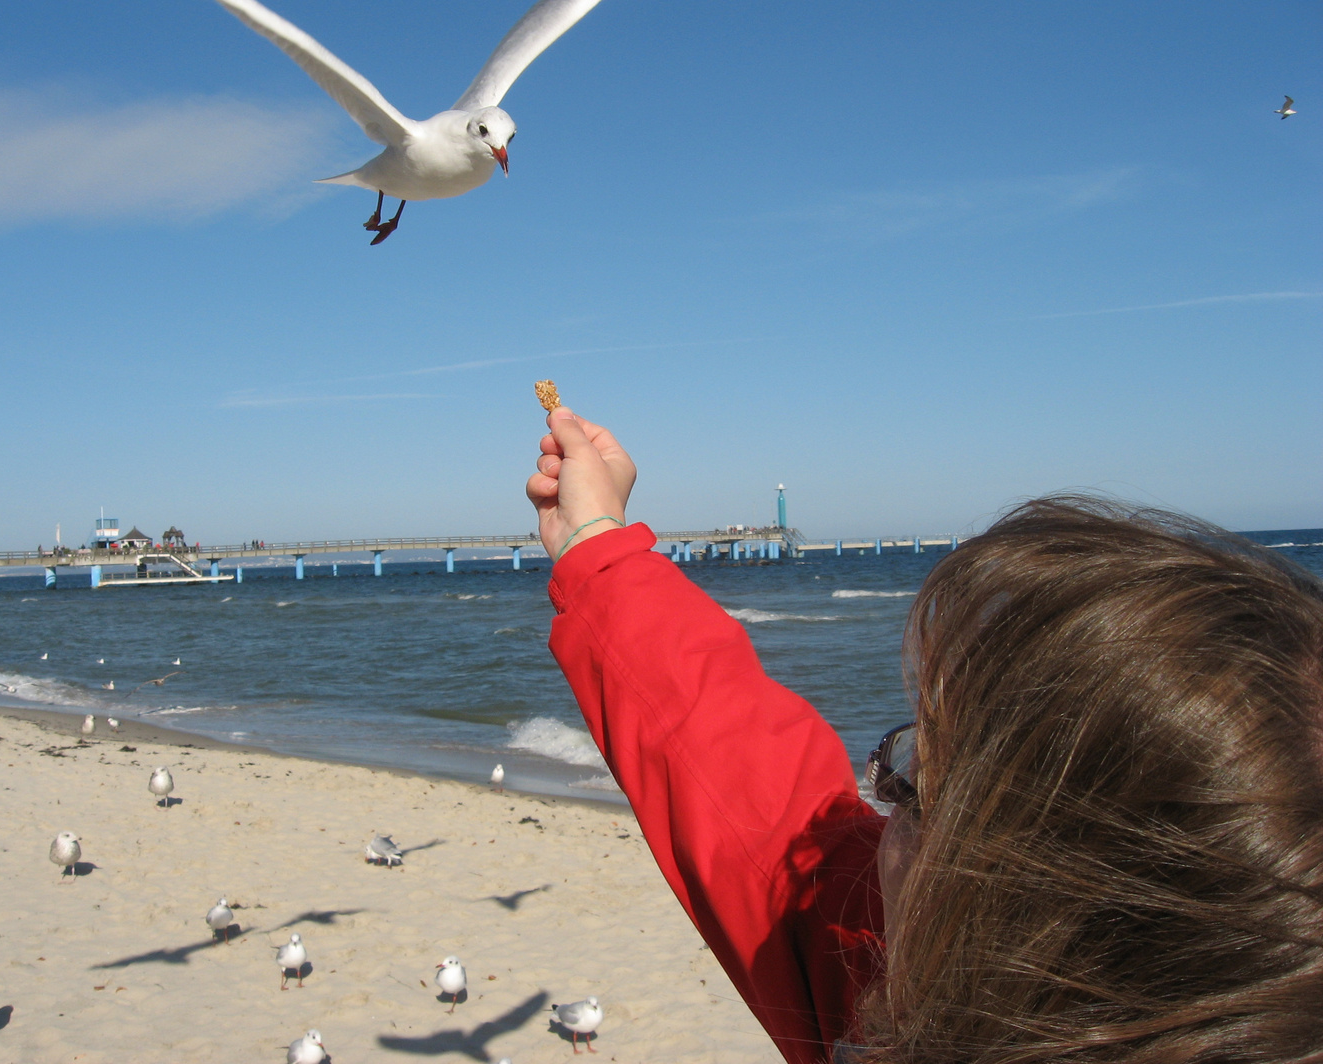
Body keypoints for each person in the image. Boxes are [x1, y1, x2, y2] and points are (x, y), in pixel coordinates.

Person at [525, 407, 1323, 1063]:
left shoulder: (898, 995)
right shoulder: (918, 970)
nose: (879, 820)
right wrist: (599, 547)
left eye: (915, 788)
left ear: (1003, 923)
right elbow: (763, 814)